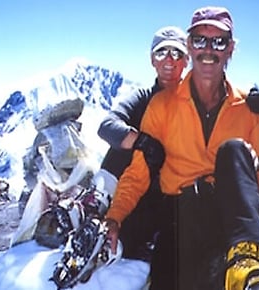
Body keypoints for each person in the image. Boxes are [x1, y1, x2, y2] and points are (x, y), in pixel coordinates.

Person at [104, 6, 259, 290]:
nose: (208, 50)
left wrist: (253, 166)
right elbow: (138, 174)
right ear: (190, 45)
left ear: (231, 49)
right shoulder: (162, 105)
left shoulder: (250, 108)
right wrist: (114, 218)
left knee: (234, 150)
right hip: (179, 217)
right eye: (200, 40)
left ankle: (250, 265)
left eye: (219, 41)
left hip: (229, 217)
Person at [96, 25, 189, 261]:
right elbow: (107, 126)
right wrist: (142, 142)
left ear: (186, 60)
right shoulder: (142, 99)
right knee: (122, 145)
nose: (169, 59)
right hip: (138, 186)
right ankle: (96, 205)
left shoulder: (194, 101)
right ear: (152, 60)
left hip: (176, 191)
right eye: (161, 52)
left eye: (177, 53)